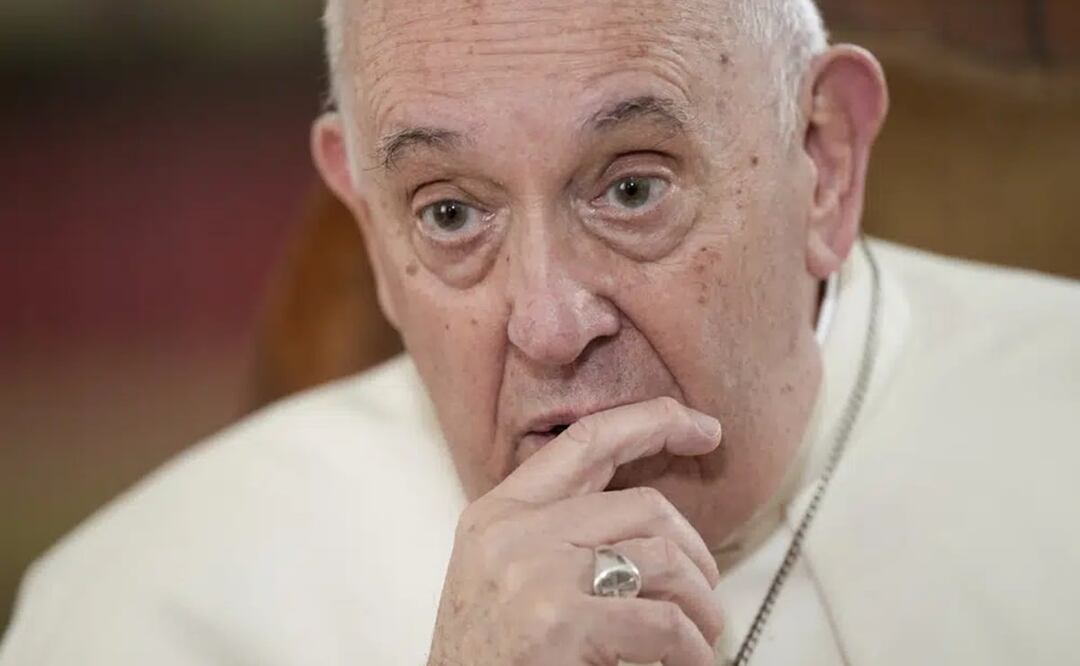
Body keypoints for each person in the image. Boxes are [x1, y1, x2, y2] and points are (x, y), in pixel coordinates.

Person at [3, 0, 1078, 664]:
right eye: (451, 212)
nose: (553, 325)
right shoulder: (142, 612)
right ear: (369, 226)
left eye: (631, 187)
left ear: (824, 158)